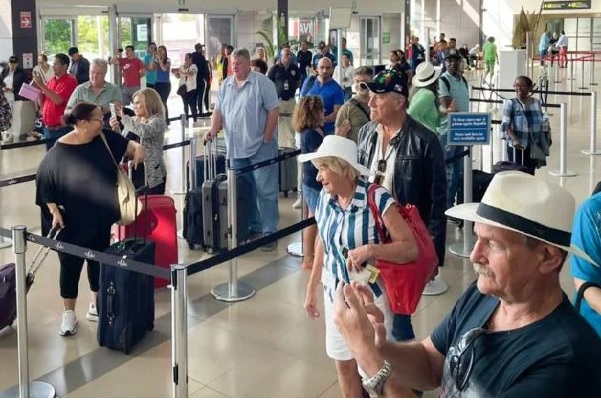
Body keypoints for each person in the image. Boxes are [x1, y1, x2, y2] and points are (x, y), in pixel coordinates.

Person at [333, 171, 601, 397]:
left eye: (493, 244)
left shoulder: (566, 363)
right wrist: (380, 346)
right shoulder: (486, 295)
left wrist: (370, 361)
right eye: (477, 238)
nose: (474, 255)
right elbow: (430, 364)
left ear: (547, 257)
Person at [301, 135, 418, 397]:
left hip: (370, 298)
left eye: (323, 168)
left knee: (374, 371)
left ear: (342, 167)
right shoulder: (325, 197)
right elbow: (323, 241)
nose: (318, 177)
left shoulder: (377, 199)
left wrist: (372, 249)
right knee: (343, 365)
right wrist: (312, 288)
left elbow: (410, 248)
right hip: (336, 297)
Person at [35, 102, 144, 336]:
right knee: (70, 267)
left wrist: (137, 151)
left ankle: (98, 305)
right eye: (98, 119)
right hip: (70, 223)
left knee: (99, 261)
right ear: (82, 123)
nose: (102, 123)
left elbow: (129, 146)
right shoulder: (59, 151)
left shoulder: (103, 139)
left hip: (99, 217)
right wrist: (53, 211)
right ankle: (69, 314)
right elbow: (44, 184)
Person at [356, 69, 447, 341]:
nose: (370, 102)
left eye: (378, 97)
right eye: (369, 96)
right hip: (367, 238)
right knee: (366, 303)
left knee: (399, 311)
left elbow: (437, 200)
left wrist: (432, 255)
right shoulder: (366, 134)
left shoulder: (425, 142)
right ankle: (369, 365)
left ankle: (406, 377)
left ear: (399, 102)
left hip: (401, 242)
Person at [204, 48, 280, 251]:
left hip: (261, 147)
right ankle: (254, 227)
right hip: (236, 149)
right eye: (232, 64)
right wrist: (213, 129)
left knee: (266, 190)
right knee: (245, 190)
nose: (234, 67)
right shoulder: (226, 85)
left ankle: (270, 231)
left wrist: (267, 137)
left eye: (237, 64)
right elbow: (218, 110)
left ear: (247, 64)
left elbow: (274, 111)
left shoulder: (263, 83)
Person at [109, 88, 167, 194]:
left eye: (137, 103)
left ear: (149, 103)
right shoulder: (134, 120)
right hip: (131, 172)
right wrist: (116, 129)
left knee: (150, 206)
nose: (134, 106)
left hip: (151, 174)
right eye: (133, 103)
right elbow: (125, 142)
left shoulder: (158, 120)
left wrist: (125, 119)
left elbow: (144, 131)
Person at [293, 95, 325, 270]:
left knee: (312, 218)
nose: (324, 113)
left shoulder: (312, 131)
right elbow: (319, 159)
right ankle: (310, 258)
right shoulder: (311, 134)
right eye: (321, 110)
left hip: (310, 181)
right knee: (319, 220)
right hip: (313, 182)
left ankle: (309, 256)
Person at [438, 52, 470, 209]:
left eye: (455, 60)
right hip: (449, 131)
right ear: (445, 63)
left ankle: (456, 204)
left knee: (459, 170)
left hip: (462, 129)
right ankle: (447, 206)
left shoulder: (462, 79)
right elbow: (447, 103)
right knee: (449, 170)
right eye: (449, 61)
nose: (452, 63)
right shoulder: (443, 80)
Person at [500, 75, 550, 175]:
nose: (519, 89)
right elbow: (505, 124)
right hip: (516, 147)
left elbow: (544, 118)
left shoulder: (536, 103)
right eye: (516, 85)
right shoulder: (510, 103)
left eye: (522, 86)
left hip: (533, 146)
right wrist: (514, 139)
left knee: (530, 173)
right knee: (516, 173)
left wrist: (546, 128)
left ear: (529, 87)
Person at [32, 53, 78, 151]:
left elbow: (59, 101)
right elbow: (43, 102)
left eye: (56, 64)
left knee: (63, 159)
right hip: (48, 128)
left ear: (65, 66)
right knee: (51, 160)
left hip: (61, 129)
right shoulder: (51, 81)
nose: (53, 66)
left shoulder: (70, 81)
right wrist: (38, 89)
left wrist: (42, 86)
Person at [66, 58, 123, 127]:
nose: (95, 76)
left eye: (98, 73)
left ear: (105, 73)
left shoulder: (114, 89)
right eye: (92, 72)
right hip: (83, 129)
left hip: (106, 129)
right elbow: (67, 111)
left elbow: (118, 109)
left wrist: (97, 109)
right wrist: (79, 111)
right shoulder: (80, 89)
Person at [300, 57, 345, 135]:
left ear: (332, 69)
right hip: (307, 130)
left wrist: (320, 120)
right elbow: (301, 103)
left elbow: (337, 113)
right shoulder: (308, 82)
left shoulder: (337, 89)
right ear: (317, 68)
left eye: (328, 68)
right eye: (322, 67)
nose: (325, 71)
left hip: (327, 131)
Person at [267, 47, 301, 148]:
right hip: (279, 101)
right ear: (281, 56)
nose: (289, 57)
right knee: (280, 123)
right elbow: (268, 84)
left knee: (291, 122)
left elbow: (298, 82)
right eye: (287, 55)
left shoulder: (295, 68)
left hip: (290, 100)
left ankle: (291, 145)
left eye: (290, 54)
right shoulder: (274, 69)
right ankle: (280, 145)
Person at [335, 66, 373, 143]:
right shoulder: (347, 108)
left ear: (372, 82)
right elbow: (337, 137)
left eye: (364, 81)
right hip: (355, 152)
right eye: (357, 81)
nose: (360, 84)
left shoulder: (378, 105)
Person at [407, 62, 443, 133]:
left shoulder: (419, 92)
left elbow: (427, 116)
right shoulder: (428, 94)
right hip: (426, 136)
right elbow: (411, 114)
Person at [0, 56, 26, 144]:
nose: (12, 65)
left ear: (17, 64)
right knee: (8, 117)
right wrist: (4, 88)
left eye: (14, 63)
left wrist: (13, 88)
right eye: (11, 63)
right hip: (6, 97)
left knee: (16, 116)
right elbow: (1, 82)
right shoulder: (5, 71)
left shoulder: (21, 72)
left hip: (17, 97)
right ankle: (9, 135)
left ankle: (16, 136)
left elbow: (22, 83)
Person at [174, 53, 198, 122]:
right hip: (183, 88)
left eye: (187, 58)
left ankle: (194, 118)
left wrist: (182, 72)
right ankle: (186, 118)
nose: (186, 59)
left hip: (191, 88)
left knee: (192, 104)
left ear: (191, 59)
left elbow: (191, 74)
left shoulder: (194, 66)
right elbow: (178, 76)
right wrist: (176, 73)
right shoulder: (182, 66)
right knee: (185, 104)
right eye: (185, 58)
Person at [153, 45, 172, 125]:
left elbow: (164, 69)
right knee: (157, 102)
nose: (159, 51)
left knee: (163, 102)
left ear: (165, 51)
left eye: (161, 50)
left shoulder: (168, 60)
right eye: (158, 50)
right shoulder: (156, 60)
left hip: (166, 84)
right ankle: (158, 120)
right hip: (157, 84)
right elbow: (151, 67)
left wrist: (160, 59)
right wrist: (153, 58)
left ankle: (166, 120)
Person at [191, 43, 209, 116]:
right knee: (200, 96)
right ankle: (200, 111)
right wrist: (207, 79)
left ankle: (194, 111)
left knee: (194, 95)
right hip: (200, 79)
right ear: (200, 49)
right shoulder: (201, 57)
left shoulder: (191, 56)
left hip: (193, 80)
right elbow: (205, 69)